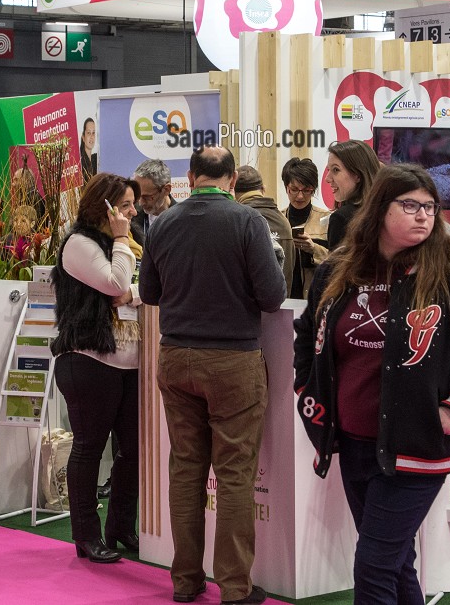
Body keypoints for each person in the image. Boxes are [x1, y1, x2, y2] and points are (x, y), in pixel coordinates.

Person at [294, 164, 450, 604]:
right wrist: (307, 389)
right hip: (352, 441)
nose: (422, 216)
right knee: (394, 563)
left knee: (373, 566)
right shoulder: (339, 268)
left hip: (416, 446)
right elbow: (306, 332)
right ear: (379, 208)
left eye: (429, 208)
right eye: (409, 205)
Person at [138, 145, 286, 605]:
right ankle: (235, 587)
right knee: (235, 475)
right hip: (232, 362)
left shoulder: (164, 223)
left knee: (185, 470)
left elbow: (148, 293)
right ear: (233, 182)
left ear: (190, 176)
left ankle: (185, 580)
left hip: (176, 356)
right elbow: (272, 297)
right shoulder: (247, 222)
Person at [50, 173, 141, 564]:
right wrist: (122, 241)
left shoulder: (124, 244)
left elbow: (142, 287)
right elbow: (114, 281)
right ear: (102, 207)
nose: (132, 212)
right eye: (124, 206)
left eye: (132, 205)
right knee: (88, 448)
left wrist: (132, 293)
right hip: (88, 359)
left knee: (133, 450)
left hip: (130, 361)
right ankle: (86, 534)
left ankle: (121, 525)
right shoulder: (79, 244)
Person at [280, 157, 329, 301]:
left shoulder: (327, 220)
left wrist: (314, 248)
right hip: (284, 298)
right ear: (286, 187)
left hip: (315, 298)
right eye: (294, 189)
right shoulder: (278, 220)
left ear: (313, 189)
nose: (300, 196)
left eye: (306, 190)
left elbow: (339, 261)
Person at [234, 165, 293, 283]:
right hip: (284, 299)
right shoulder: (284, 221)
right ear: (263, 189)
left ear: (233, 191)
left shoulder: (236, 222)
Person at [324, 140, 382, 251]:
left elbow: (337, 267)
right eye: (328, 170)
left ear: (357, 174)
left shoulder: (341, 218)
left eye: (336, 170)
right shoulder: (386, 211)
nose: (327, 178)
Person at [130, 158, 174, 250]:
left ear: (166, 190)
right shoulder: (131, 217)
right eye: (138, 196)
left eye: (147, 197)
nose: (141, 203)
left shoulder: (182, 219)